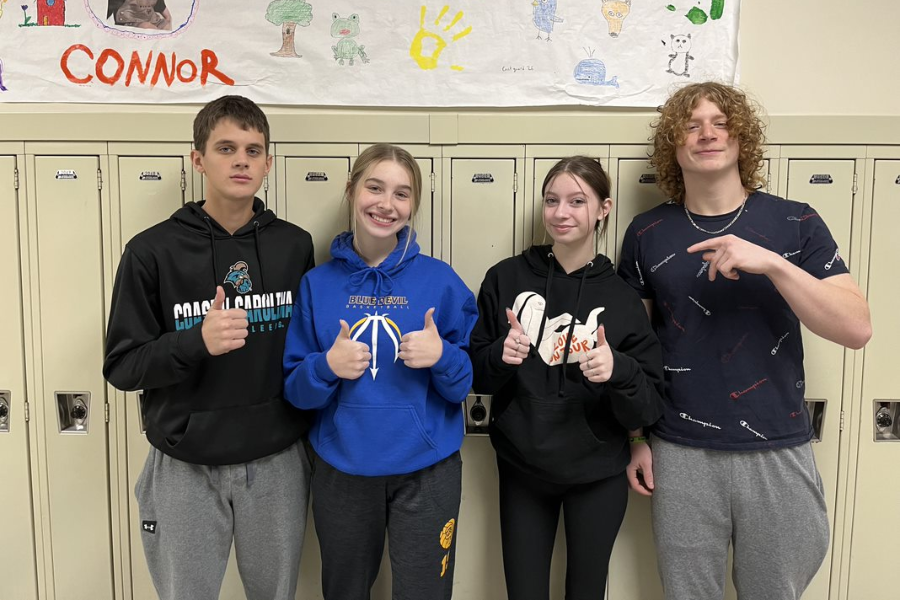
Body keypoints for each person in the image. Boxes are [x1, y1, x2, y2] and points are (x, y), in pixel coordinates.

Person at [617, 82, 872, 600]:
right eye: (691, 125)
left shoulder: (794, 221)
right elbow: (634, 352)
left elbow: (856, 328)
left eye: (719, 122)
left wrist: (773, 264)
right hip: (680, 448)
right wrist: (637, 438)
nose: (707, 134)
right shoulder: (647, 232)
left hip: (776, 445)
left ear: (742, 138)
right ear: (674, 144)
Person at [103, 95, 315, 600]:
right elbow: (122, 365)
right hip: (185, 464)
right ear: (198, 159)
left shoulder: (294, 245)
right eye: (225, 148)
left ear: (267, 162)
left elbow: (306, 351)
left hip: (276, 460)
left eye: (253, 149)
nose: (241, 160)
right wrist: (195, 341)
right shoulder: (151, 251)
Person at [283, 143, 478, 600]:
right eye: (375, 187)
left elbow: (463, 386)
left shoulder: (440, 280)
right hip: (343, 469)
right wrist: (325, 366)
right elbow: (296, 391)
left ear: (413, 207)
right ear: (352, 191)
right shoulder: (318, 283)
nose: (386, 204)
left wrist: (442, 357)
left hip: (427, 469)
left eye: (402, 194)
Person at [469, 156, 665, 600]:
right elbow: (477, 375)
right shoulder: (506, 278)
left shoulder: (621, 298)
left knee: (587, 590)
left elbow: (648, 404)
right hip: (523, 469)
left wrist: (619, 369)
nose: (561, 212)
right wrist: (501, 356)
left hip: (598, 474)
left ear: (603, 208)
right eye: (552, 200)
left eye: (577, 201)